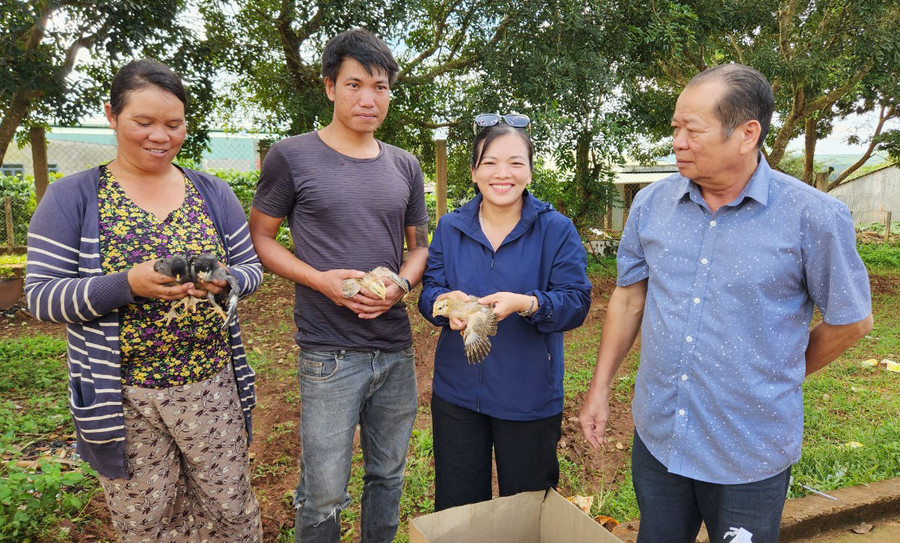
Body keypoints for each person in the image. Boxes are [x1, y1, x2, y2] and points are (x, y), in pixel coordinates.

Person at [578, 63, 873, 543]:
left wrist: (779, 374)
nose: (677, 141)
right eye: (675, 128)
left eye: (692, 130)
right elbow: (629, 298)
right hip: (660, 436)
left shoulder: (813, 217)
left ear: (746, 134)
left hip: (748, 448)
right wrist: (600, 387)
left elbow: (852, 321)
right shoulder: (651, 205)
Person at [25, 59, 264, 541]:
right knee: (147, 520)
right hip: (123, 396)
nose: (161, 136)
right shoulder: (72, 197)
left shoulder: (212, 192)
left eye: (174, 125)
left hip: (210, 386)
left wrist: (224, 282)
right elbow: (41, 297)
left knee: (230, 509)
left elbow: (251, 270)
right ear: (112, 116)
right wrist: (126, 284)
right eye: (144, 122)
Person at [248, 28, 429, 542]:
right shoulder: (292, 156)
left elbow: (419, 247)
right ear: (329, 87)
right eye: (354, 85)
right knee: (325, 489)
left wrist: (401, 286)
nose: (368, 99)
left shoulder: (404, 165)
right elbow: (261, 238)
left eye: (380, 87)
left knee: (388, 476)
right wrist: (320, 281)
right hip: (328, 353)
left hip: (395, 349)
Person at [417, 117, 592, 511]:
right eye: (490, 163)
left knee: (527, 509)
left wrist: (528, 303)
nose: (503, 174)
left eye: (516, 162)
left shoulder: (556, 230)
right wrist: (445, 307)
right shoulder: (450, 227)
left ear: (530, 170)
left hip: (528, 394)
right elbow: (428, 293)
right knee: (459, 508)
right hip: (457, 393)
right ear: (475, 171)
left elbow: (577, 301)